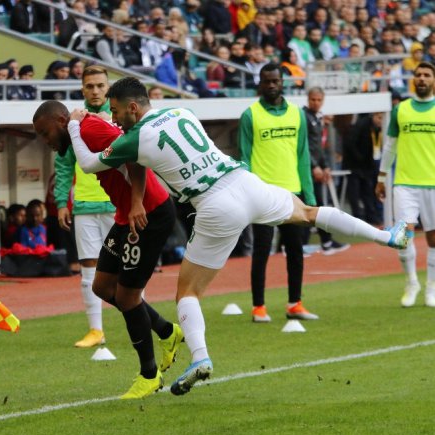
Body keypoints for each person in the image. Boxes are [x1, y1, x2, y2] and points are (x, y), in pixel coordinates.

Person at [67, 76, 409, 395]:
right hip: (245, 182)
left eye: (115, 112)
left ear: (132, 108)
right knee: (307, 213)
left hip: (214, 204)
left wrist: (73, 124)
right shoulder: (180, 111)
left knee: (188, 292)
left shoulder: (133, 137)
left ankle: (200, 357)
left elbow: (87, 163)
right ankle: (386, 236)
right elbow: (149, 155)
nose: (115, 120)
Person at [33, 100, 184, 399]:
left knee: (128, 296)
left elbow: (135, 157)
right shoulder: (81, 130)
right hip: (125, 213)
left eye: (45, 133)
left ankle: (149, 375)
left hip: (147, 213)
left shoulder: (89, 129)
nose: (45, 141)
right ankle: (168, 332)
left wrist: (138, 203)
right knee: (102, 286)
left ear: (61, 121)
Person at [239, 63, 319, 324]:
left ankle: (295, 303)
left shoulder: (297, 115)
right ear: (260, 83)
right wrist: (249, 193)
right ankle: (258, 307)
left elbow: (303, 156)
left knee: (295, 250)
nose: (271, 85)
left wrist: (310, 196)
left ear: (283, 82)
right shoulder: (250, 115)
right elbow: (244, 158)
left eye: (275, 81)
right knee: (262, 251)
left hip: (293, 194)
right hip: (263, 194)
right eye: (266, 81)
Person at [54, 65, 116, 348]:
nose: (95, 91)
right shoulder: (73, 122)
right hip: (85, 205)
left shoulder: (121, 116)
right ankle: (95, 330)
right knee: (89, 269)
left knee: (130, 267)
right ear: (82, 89)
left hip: (119, 204)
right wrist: (61, 202)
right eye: (89, 86)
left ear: (108, 87)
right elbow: (64, 165)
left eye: (100, 86)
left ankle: (140, 320)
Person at [376, 62, 435, 307]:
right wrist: (381, 176)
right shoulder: (401, 110)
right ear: (413, 80)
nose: (421, 78)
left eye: (427, 75)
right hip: (405, 182)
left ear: (433, 80)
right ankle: (412, 282)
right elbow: (390, 145)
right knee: (403, 235)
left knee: (433, 239)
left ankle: (431, 287)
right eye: (418, 75)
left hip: (432, 183)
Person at [303, 87, 350, 254]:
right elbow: (304, 146)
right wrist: (314, 166)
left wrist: (325, 166)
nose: (316, 103)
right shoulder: (304, 117)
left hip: (315, 168)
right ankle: (317, 243)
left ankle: (326, 242)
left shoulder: (317, 118)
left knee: (317, 206)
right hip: (306, 171)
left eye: (318, 100)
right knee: (311, 206)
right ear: (308, 99)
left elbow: (318, 147)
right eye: (313, 99)